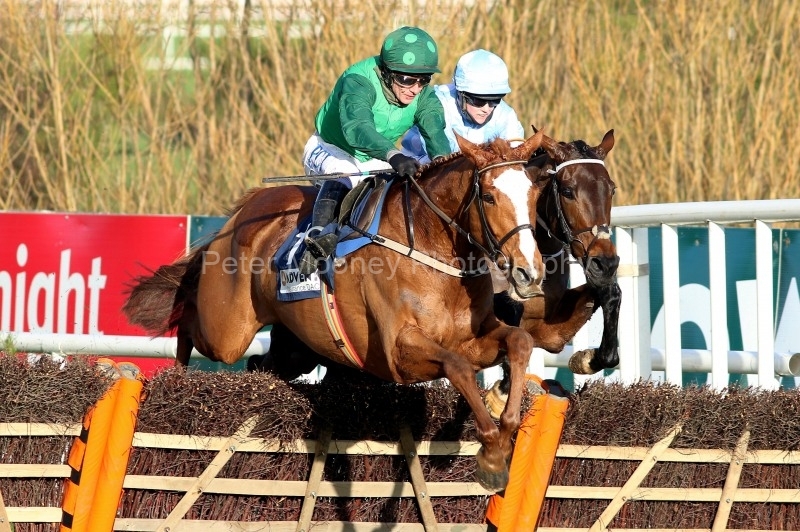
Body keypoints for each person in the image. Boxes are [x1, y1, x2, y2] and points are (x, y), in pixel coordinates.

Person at [299, 26, 452, 275]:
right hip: (330, 148)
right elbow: (358, 128)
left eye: (423, 79)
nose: (415, 88)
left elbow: (435, 133)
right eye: (406, 79)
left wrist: (446, 165)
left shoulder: (424, 94)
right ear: (386, 72)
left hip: (375, 157)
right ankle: (316, 241)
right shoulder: (358, 81)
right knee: (345, 172)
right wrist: (394, 155)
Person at [401, 49, 524, 163]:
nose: (486, 109)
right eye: (478, 101)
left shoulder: (506, 115)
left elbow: (515, 159)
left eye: (495, 100)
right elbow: (447, 160)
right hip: (416, 170)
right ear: (460, 94)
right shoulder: (435, 104)